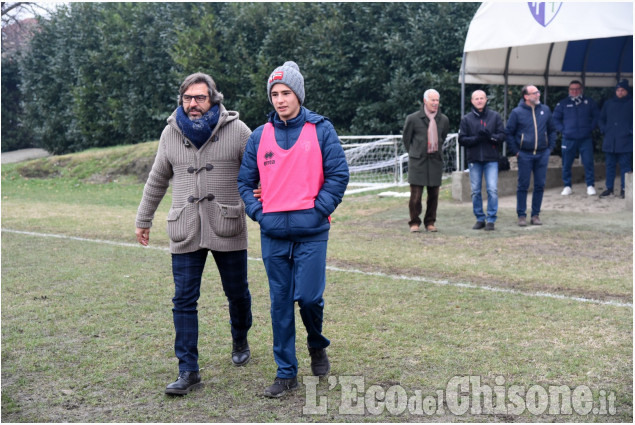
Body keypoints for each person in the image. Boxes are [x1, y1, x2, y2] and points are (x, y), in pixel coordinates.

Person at [135, 72, 253, 395]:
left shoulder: (238, 131)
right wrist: (144, 218)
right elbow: (157, 178)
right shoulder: (170, 133)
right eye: (187, 98)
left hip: (227, 225)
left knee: (238, 293)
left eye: (200, 98)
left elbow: (258, 173)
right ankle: (188, 370)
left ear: (213, 99)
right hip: (184, 227)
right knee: (184, 299)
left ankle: (240, 335)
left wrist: (268, 209)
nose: (193, 104)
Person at [237, 61, 349, 398]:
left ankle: (316, 343)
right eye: (274, 94)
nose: (280, 99)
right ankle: (286, 372)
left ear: (298, 94)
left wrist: (319, 210)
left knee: (310, 298)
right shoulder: (259, 136)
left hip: (312, 231)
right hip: (273, 233)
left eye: (286, 92)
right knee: (280, 304)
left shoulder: (321, 129)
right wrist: (259, 213)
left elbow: (338, 175)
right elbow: (245, 182)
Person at [505, 85, 556, 226]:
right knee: (523, 185)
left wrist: (549, 148)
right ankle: (521, 215)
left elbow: (552, 130)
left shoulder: (545, 110)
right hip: (524, 155)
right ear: (526, 96)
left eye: (538, 92)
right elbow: (509, 132)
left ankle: (535, 215)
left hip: (542, 154)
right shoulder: (517, 112)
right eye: (535, 93)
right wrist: (516, 151)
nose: (538, 95)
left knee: (540, 185)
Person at [402, 89, 450, 233]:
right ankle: (414, 222)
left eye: (437, 100)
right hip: (418, 162)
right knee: (415, 195)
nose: (435, 103)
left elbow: (444, 136)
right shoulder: (413, 118)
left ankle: (430, 222)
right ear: (425, 101)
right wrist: (414, 152)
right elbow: (406, 139)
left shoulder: (444, 119)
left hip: (435, 161)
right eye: (432, 100)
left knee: (433, 195)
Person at [458, 90, 505, 231]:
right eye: (476, 98)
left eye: (482, 98)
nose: (479, 100)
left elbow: (502, 136)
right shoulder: (466, 119)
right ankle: (480, 218)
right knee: (475, 191)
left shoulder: (495, 116)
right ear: (472, 101)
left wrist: (490, 136)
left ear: (486, 100)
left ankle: (491, 219)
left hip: (491, 159)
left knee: (492, 189)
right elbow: (461, 139)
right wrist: (476, 139)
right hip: (474, 159)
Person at [552, 80, 600, 196]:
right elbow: (555, 119)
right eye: (572, 89)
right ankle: (567, 186)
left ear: (581, 89)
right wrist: (563, 130)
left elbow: (597, 116)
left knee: (588, 162)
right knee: (567, 163)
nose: (574, 91)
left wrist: (590, 128)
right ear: (569, 90)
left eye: (577, 89)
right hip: (568, 138)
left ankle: (590, 185)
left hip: (585, 138)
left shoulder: (589, 102)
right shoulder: (563, 103)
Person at [598, 79, 633, 199]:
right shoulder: (608, 103)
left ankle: (625, 189)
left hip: (626, 141)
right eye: (618, 90)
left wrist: (631, 131)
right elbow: (601, 118)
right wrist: (604, 129)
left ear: (627, 91)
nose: (620, 92)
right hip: (610, 140)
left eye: (622, 90)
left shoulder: (632, 103)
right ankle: (609, 188)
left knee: (625, 167)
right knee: (610, 166)